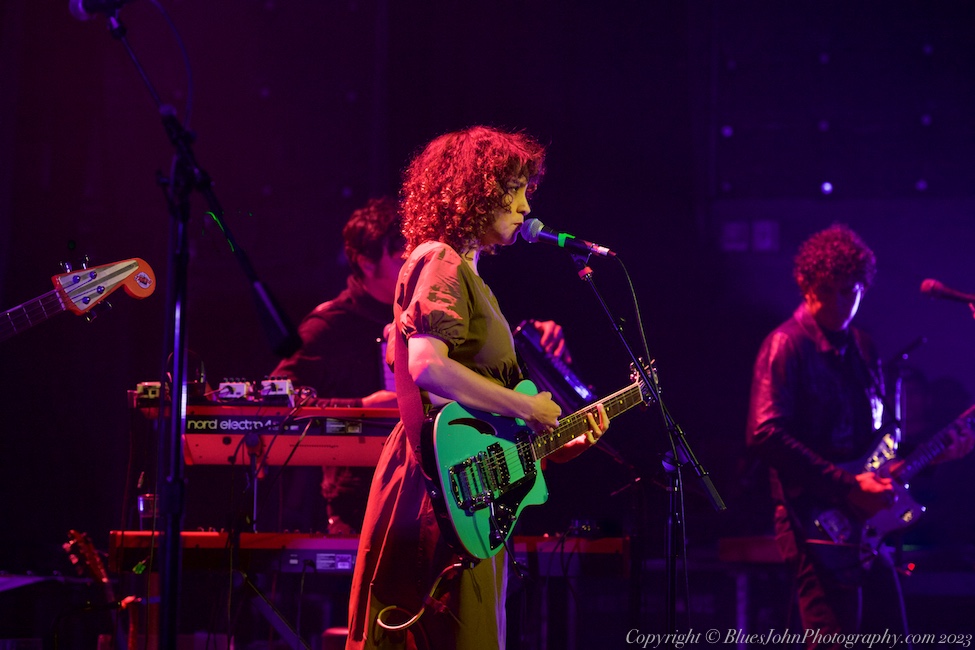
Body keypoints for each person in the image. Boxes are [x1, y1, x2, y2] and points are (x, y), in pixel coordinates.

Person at [346, 125, 609, 649]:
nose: (525, 203)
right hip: (439, 491)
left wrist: (554, 442)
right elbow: (427, 366)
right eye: (514, 188)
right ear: (478, 191)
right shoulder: (440, 259)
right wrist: (527, 407)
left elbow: (480, 412)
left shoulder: (465, 271)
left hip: (471, 487)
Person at [746, 224, 974, 649]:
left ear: (863, 290)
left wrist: (935, 457)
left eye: (847, 292)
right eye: (824, 291)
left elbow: (880, 445)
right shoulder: (785, 345)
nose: (835, 303)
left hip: (862, 526)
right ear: (805, 285)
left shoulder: (864, 349)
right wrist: (848, 486)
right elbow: (764, 434)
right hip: (811, 520)